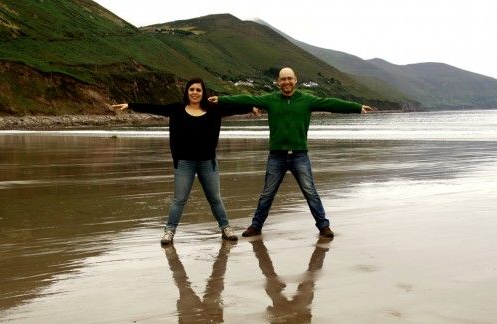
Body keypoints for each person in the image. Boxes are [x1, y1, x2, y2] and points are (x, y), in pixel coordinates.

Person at [209, 67, 373, 238]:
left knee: (310, 191)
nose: (286, 82)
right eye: (283, 79)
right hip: (277, 155)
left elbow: (331, 103)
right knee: (267, 193)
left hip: (299, 155)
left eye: (289, 78)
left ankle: (324, 226)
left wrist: (356, 107)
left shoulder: (307, 100)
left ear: (295, 80)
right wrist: (221, 99)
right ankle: (256, 226)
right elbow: (245, 99)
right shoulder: (270, 99)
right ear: (278, 82)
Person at [112, 78, 256, 245]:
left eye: (198, 90)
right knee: (179, 199)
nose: (195, 93)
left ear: (203, 93)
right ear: (187, 91)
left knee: (215, 198)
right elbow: (155, 108)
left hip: (207, 162)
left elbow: (233, 109)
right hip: (184, 163)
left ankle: (226, 228)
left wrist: (250, 107)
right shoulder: (177, 109)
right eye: (192, 89)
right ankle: (169, 232)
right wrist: (130, 105)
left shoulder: (214, 110)